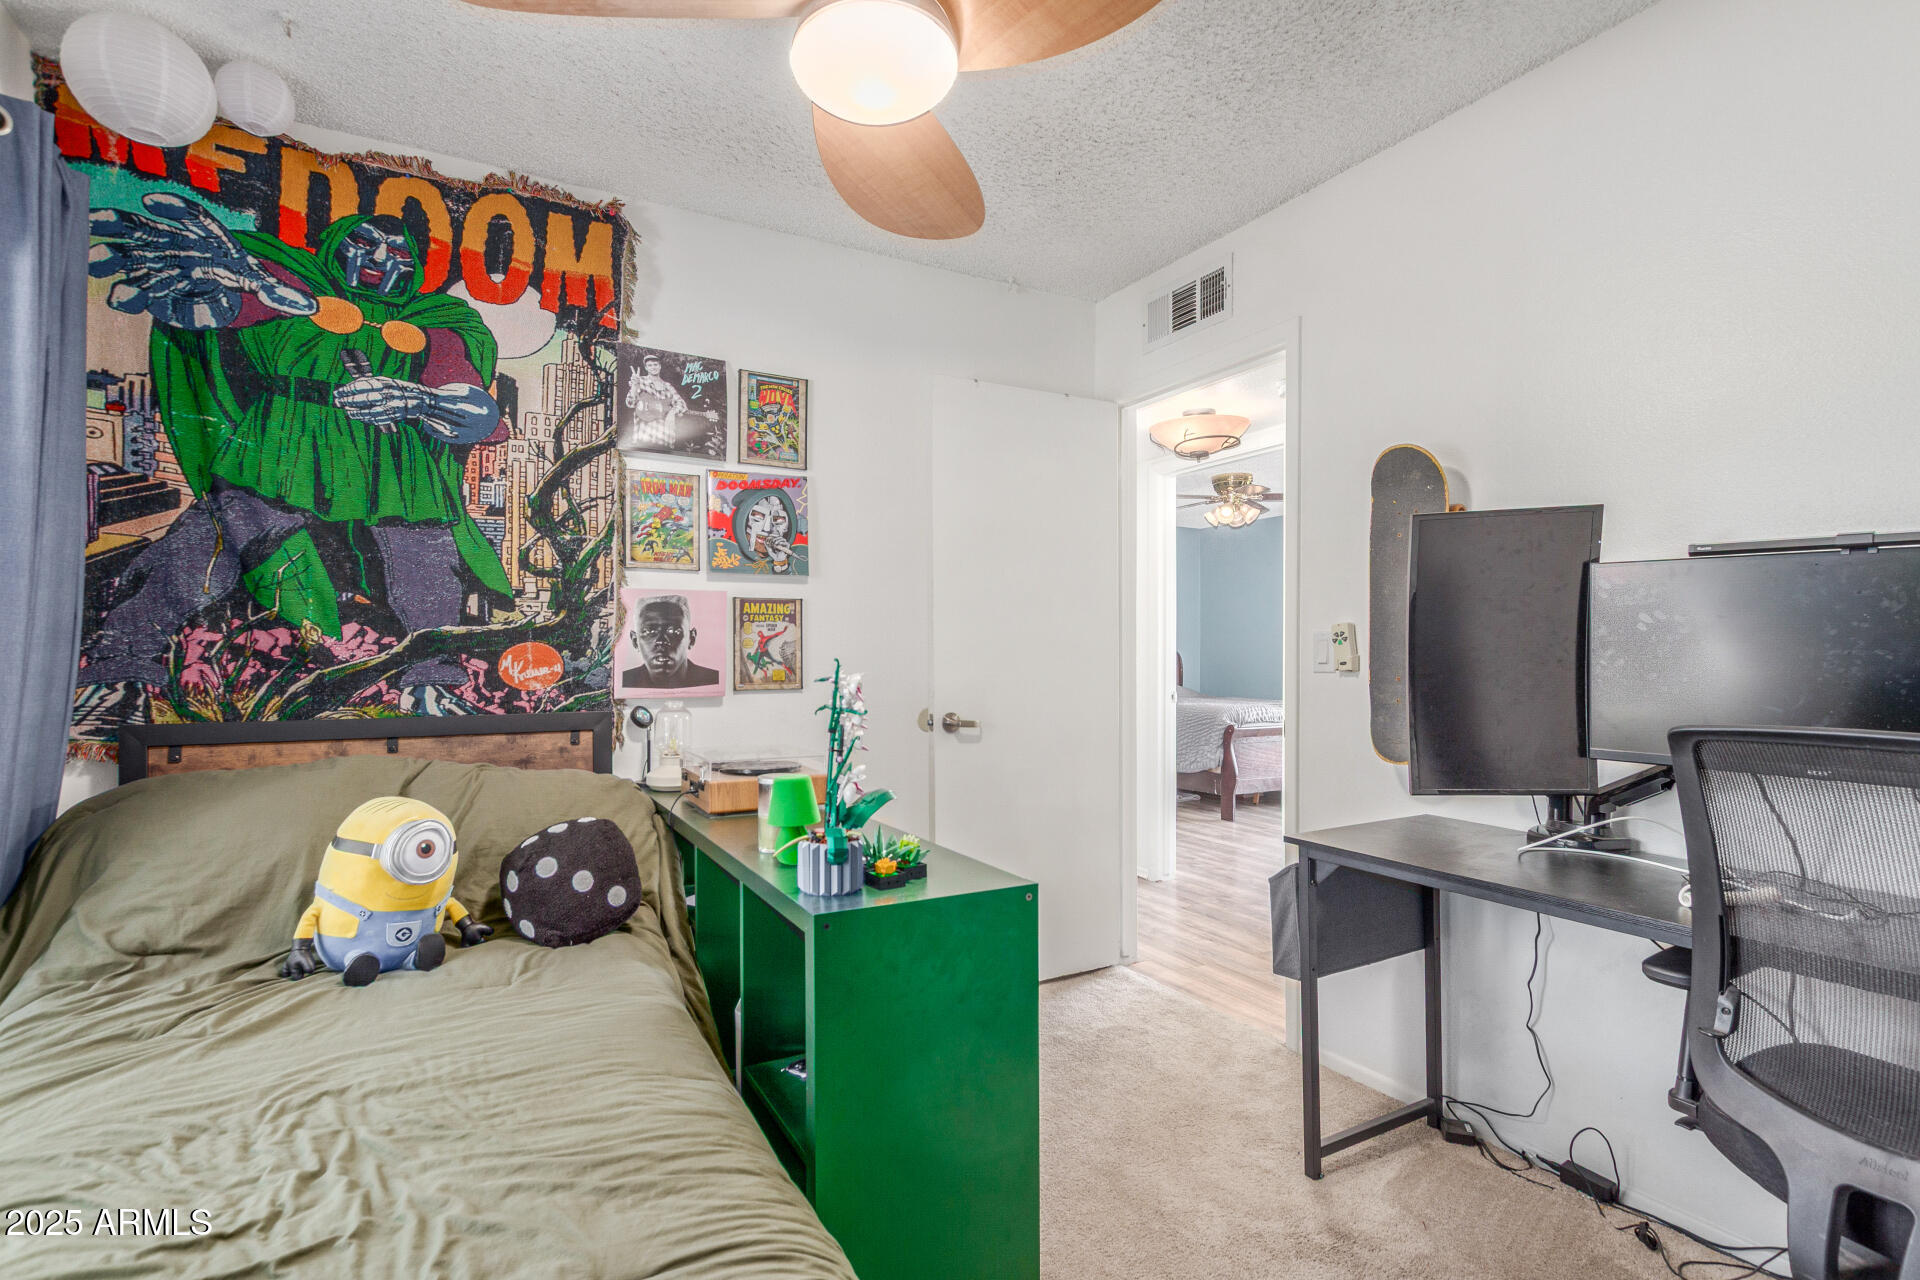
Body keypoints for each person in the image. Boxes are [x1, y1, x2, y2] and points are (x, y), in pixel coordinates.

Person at [78, 193, 511, 707]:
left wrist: (418, 399)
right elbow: (239, 304)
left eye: (397, 252)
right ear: (333, 246)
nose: (378, 260)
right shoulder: (288, 286)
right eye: (364, 243)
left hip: (396, 466)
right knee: (203, 546)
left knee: (425, 567)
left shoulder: (439, 316)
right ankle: (122, 667)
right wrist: (220, 284)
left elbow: (477, 405)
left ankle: (431, 684)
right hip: (283, 448)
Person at [620, 351, 718, 453]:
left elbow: (682, 404)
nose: (653, 367)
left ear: (660, 366)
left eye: (655, 364)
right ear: (646, 368)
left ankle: (707, 415)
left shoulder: (668, 386)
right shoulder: (640, 381)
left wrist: (672, 412)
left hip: (664, 438)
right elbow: (630, 403)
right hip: (645, 436)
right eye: (650, 365)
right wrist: (635, 386)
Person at [621, 595, 719, 690]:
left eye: (673, 631)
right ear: (635, 641)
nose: (661, 641)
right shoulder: (625, 681)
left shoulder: (713, 679)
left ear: (691, 639)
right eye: (649, 631)